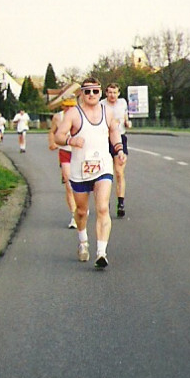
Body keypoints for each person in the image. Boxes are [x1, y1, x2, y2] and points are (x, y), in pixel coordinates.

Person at [53, 77, 126, 268]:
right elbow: (58, 135)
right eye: (87, 91)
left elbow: (114, 132)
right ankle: (83, 241)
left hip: (102, 167)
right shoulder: (73, 114)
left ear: (100, 93)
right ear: (82, 94)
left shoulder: (108, 112)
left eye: (95, 91)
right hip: (80, 170)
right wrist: (70, 141)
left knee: (102, 208)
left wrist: (119, 150)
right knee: (82, 211)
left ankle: (101, 252)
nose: (91, 95)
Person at [103, 82, 132, 217]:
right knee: (106, 173)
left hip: (120, 138)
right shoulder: (101, 105)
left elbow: (125, 117)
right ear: (106, 93)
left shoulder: (123, 103)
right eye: (109, 92)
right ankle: (105, 201)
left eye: (114, 92)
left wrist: (127, 122)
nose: (112, 95)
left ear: (118, 93)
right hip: (105, 139)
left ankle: (120, 203)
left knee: (119, 172)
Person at [49, 98, 78, 228]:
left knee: (83, 185)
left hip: (80, 152)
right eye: (66, 106)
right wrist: (52, 142)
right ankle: (74, 215)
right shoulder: (58, 117)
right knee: (68, 183)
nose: (69, 108)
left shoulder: (81, 115)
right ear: (63, 106)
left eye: (72, 106)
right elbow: (52, 131)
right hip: (65, 151)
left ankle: (82, 208)